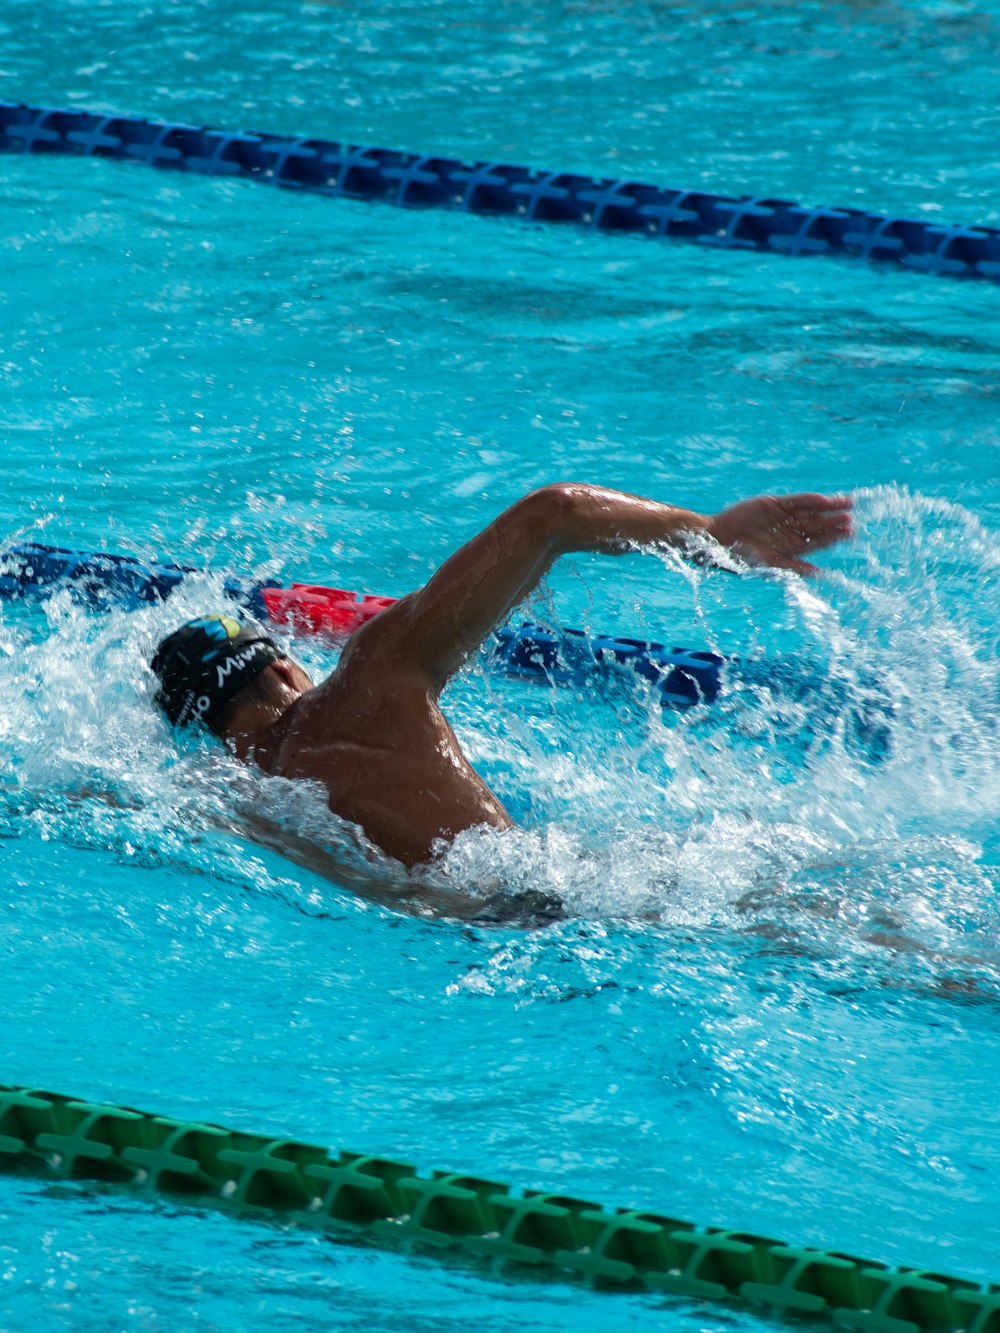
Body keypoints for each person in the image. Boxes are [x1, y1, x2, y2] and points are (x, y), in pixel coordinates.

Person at [151, 483, 853, 877]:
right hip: (572, 898)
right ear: (282, 665)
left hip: (468, 939)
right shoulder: (368, 681)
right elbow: (555, 514)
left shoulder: (233, 805)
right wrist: (710, 533)